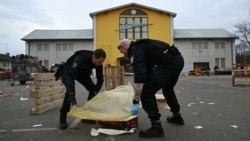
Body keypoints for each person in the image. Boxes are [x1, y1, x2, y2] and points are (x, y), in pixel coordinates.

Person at [117, 38, 184, 138]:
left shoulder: (136, 51)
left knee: (146, 93)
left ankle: (156, 127)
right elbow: (148, 71)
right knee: (168, 88)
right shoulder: (142, 47)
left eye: (121, 51)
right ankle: (177, 116)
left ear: (124, 46)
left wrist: (136, 98)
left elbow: (140, 75)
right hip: (177, 60)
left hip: (169, 63)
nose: (122, 54)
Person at [58, 49, 106, 129]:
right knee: (69, 94)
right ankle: (62, 117)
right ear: (94, 57)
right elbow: (71, 77)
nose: (100, 64)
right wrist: (71, 94)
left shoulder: (99, 63)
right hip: (69, 72)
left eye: (102, 62)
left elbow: (100, 79)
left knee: (92, 89)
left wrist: (95, 91)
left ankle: (86, 116)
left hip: (82, 73)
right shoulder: (80, 58)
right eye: (99, 62)